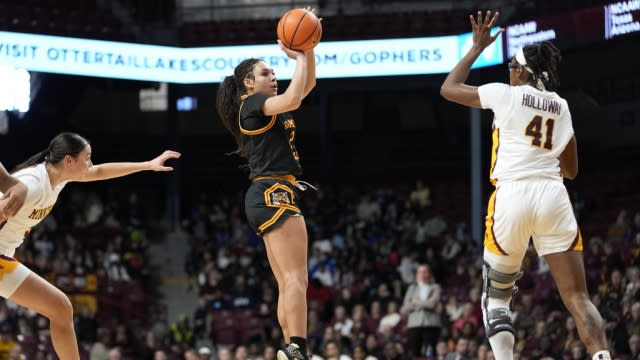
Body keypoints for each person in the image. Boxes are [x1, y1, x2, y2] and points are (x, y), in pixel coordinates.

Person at [440, 10, 610, 360]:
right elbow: (572, 170)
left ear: (521, 71)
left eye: (510, 70)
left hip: (513, 195)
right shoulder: (561, 106)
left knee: (497, 298)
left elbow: (449, 89)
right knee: (579, 298)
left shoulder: (506, 94)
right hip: (553, 195)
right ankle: (603, 356)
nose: (508, 75)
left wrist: (475, 50)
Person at [0, 132, 179, 360]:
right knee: (61, 307)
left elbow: (100, 171)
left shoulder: (57, 177)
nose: (91, 164)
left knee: (61, 309)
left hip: (4, 256)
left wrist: (147, 165)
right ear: (68, 161)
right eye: (87, 158)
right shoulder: (33, 185)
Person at [215, 9, 318, 359]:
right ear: (248, 81)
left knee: (287, 281)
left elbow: (305, 87)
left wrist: (309, 52)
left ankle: (291, 347)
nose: (273, 76)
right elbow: (294, 97)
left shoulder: (258, 106)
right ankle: (297, 349)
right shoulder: (254, 103)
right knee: (296, 279)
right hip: (273, 192)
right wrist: (302, 52)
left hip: (266, 194)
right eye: (265, 72)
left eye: (274, 72)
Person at [401, 264, 442, 358]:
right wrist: (426, 303)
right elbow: (407, 306)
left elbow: (433, 304)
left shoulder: (436, 287)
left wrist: (416, 302)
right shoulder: (412, 288)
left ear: (429, 274)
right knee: (415, 353)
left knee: (430, 353)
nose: (422, 274)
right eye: (419, 272)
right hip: (414, 324)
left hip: (431, 324)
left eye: (424, 272)